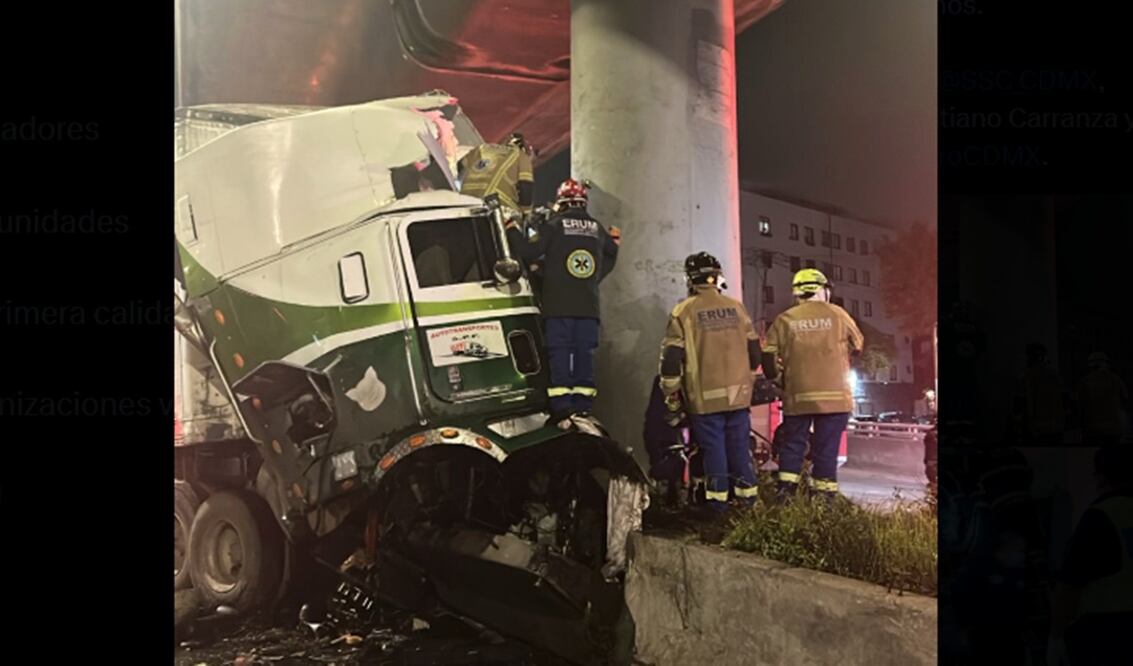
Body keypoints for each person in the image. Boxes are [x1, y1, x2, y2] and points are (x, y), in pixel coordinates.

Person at [505, 178, 620, 420]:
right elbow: (612, 253)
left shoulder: (555, 225)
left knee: (559, 356)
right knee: (584, 356)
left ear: (561, 202)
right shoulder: (597, 228)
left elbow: (528, 251)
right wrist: (593, 278)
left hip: (558, 307)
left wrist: (510, 228)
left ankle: (562, 408)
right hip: (588, 307)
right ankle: (583, 407)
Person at [658, 252, 761, 514]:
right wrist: (744, 377)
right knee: (739, 449)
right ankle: (748, 504)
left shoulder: (683, 311)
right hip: (738, 396)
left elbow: (671, 359)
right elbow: (755, 352)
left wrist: (670, 393)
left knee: (714, 451)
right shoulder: (737, 308)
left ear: (690, 279)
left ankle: (718, 507)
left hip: (705, 399)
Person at [762, 268, 863, 504]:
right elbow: (857, 345)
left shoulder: (785, 319)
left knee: (793, 445)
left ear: (797, 293)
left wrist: (778, 379)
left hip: (799, 396)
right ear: (823, 291)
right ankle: (824, 500)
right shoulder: (839, 315)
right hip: (835, 398)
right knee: (826, 450)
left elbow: (767, 355)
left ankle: (786, 496)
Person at [1048, 446, 1133, 665]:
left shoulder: (1101, 516)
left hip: (1105, 635)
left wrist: (1056, 637)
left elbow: (1069, 586)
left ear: (1100, 477)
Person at [457, 132, 534, 219]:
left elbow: (459, 166)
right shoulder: (521, 156)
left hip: (465, 200)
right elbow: (526, 186)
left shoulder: (482, 148)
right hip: (495, 205)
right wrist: (527, 213)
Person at [1012, 342, 1065, 445]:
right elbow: (1064, 400)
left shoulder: (1026, 377)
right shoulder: (1055, 376)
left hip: (1034, 431)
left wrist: (1017, 426)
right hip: (1055, 429)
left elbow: (1018, 404)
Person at [1075, 351, 1129, 445]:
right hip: (1113, 429)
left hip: (1091, 430)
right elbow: (1125, 401)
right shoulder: (1116, 379)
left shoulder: (1085, 381)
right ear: (1106, 364)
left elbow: (1079, 406)